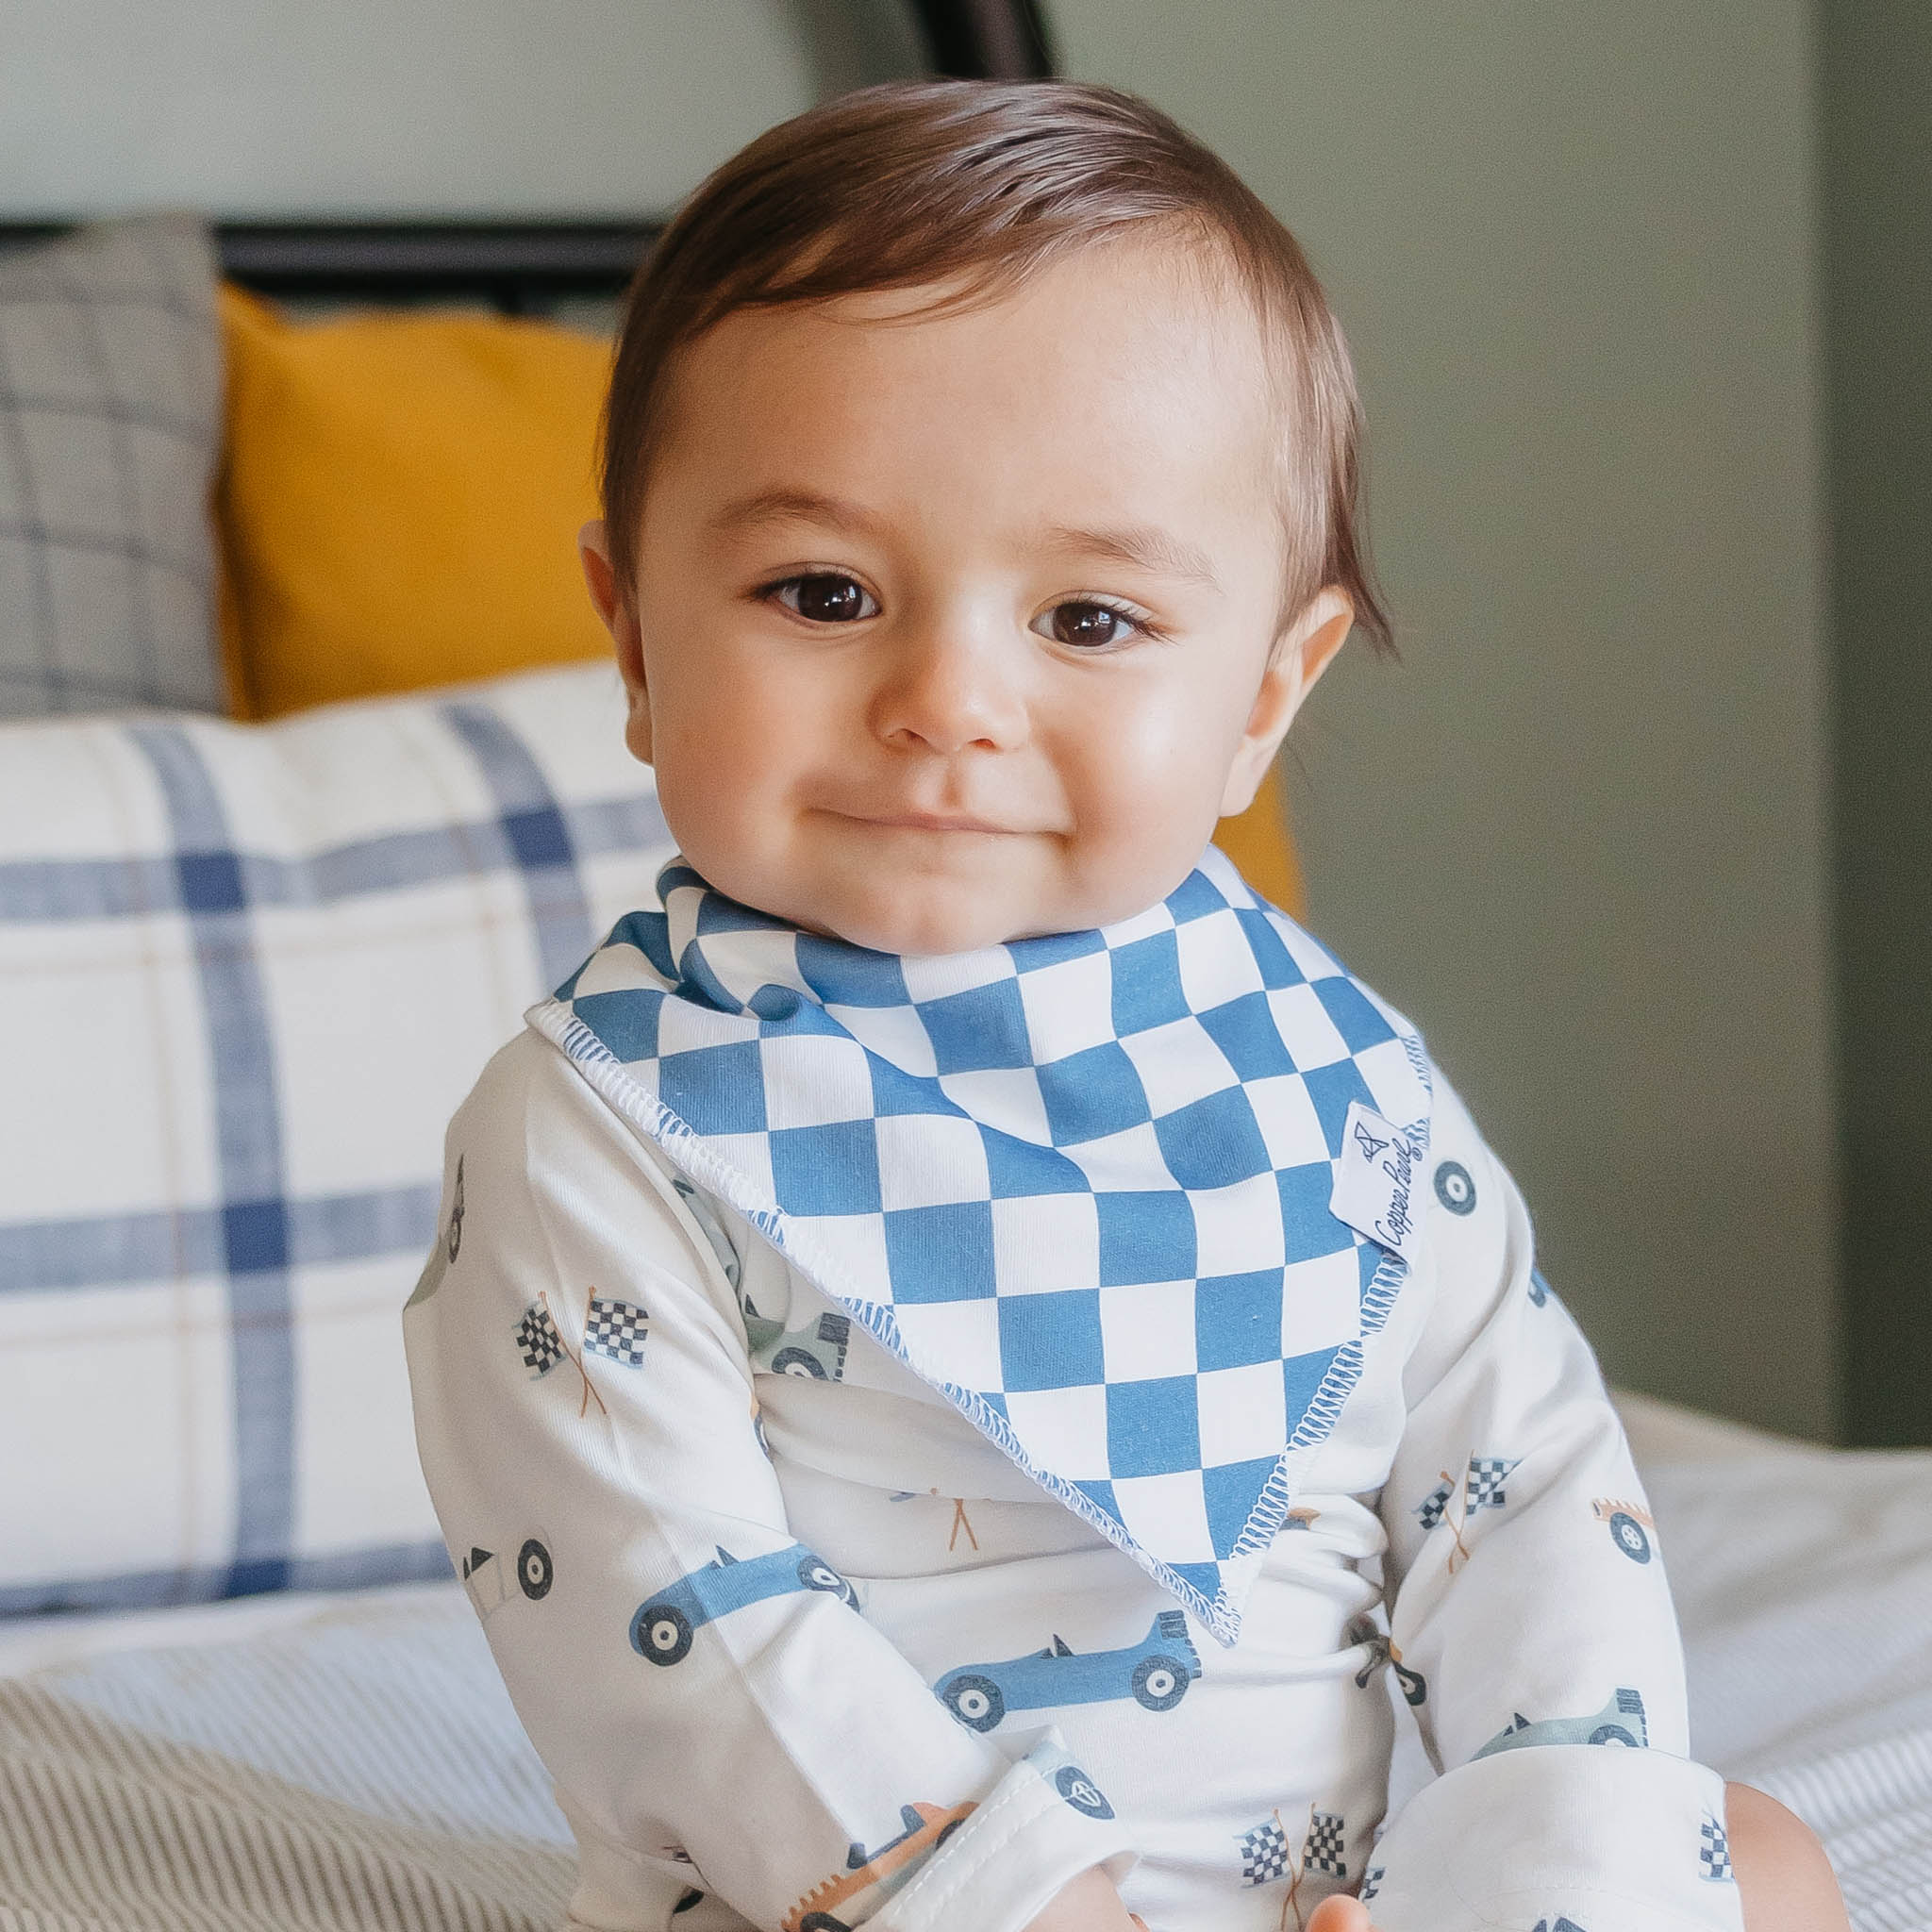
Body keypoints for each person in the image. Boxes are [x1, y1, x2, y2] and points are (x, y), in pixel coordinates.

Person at [404, 80, 1848, 1932]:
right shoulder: (607, 1123)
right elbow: (682, 1621)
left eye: (1087, 620)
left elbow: (1522, 1486)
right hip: (873, 1893)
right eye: (822, 592)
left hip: (1315, 1896)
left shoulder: (1324, 1083)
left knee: (1757, 1860)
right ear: (631, 633)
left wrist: (1560, 1848)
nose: (948, 700)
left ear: (1266, 695)